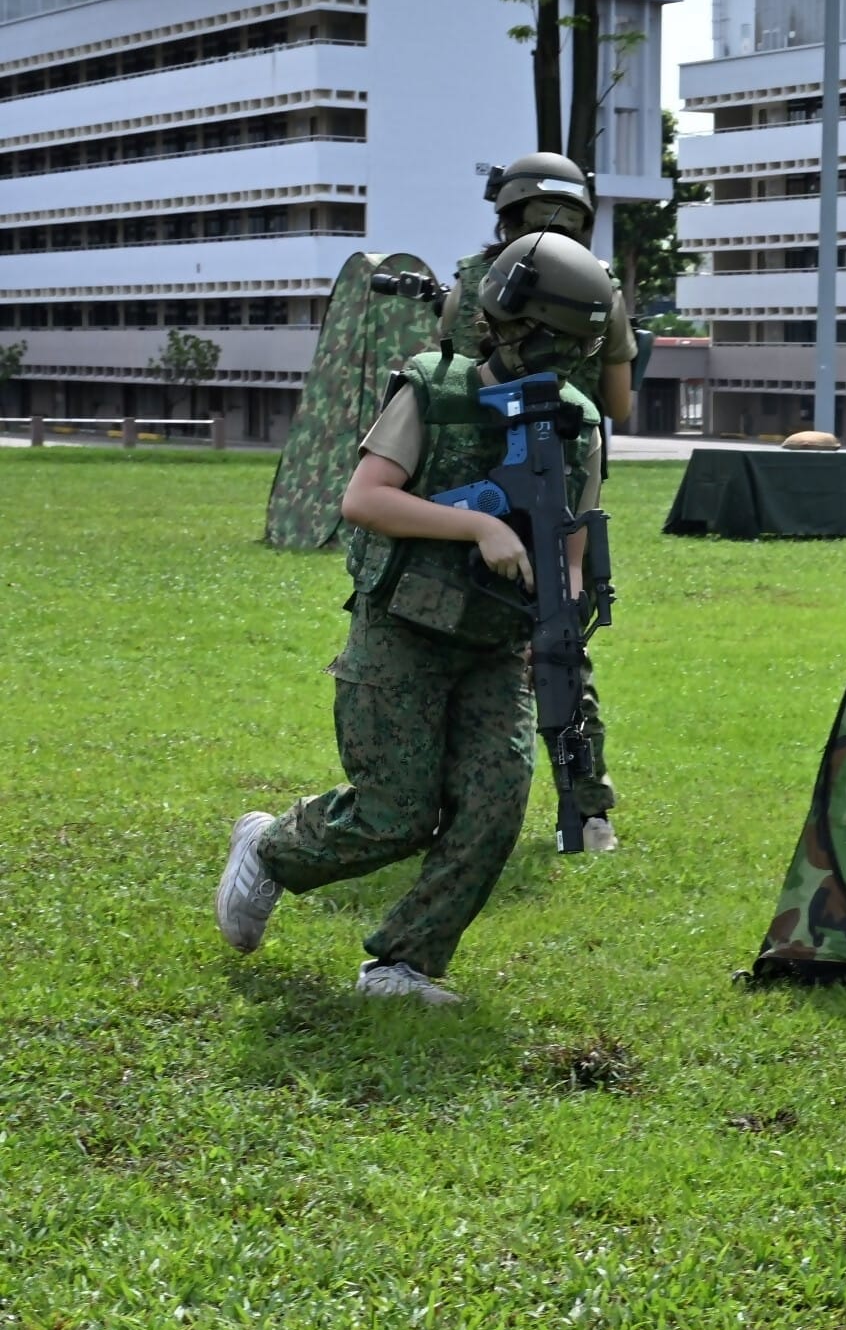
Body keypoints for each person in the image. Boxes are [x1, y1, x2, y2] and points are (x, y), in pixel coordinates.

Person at [215, 234, 616, 1004]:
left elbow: (574, 532)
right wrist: (479, 527)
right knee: (394, 814)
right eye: (559, 340)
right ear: (515, 322)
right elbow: (364, 499)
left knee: (496, 806)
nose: (566, 359)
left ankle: (401, 964)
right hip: (405, 629)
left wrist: (557, 622)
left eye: (578, 346)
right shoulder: (434, 390)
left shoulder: (576, 421)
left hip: (497, 645)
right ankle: (268, 849)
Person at [442, 153, 636, 851]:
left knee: (453, 634)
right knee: (559, 642)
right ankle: (587, 811)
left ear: (506, 212)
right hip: (562, 481)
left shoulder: (469, 283)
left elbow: (443, 377)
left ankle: (441, 801)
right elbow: (618, 402)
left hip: (466, 483)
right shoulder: (602, 290)